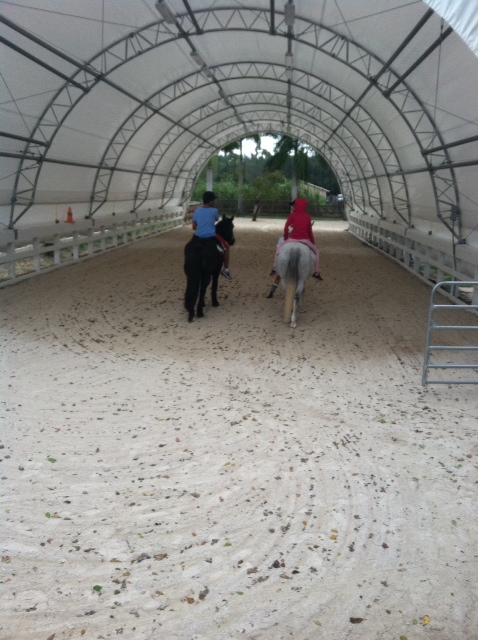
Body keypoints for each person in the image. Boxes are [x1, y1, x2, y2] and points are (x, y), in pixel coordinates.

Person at [191, 191, 232, 280]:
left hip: (198, 236)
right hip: (211, 236)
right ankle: (226, 270)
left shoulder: (197, 211)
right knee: (226, 247)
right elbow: (216, 219)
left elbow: (194, 227)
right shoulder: (214, 211)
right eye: (214, 200)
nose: (215, 202)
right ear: (210, 201)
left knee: (190, 247)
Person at [281, 198, 322, 280]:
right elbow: (310, 231)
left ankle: (275, 267)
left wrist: (286, 238)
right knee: (317, 252)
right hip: (304, 240)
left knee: (279, 250)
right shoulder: (307, 217)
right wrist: (313, 242)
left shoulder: (292, 215)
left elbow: (286, 228)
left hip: (292, 239)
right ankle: (316, 272)